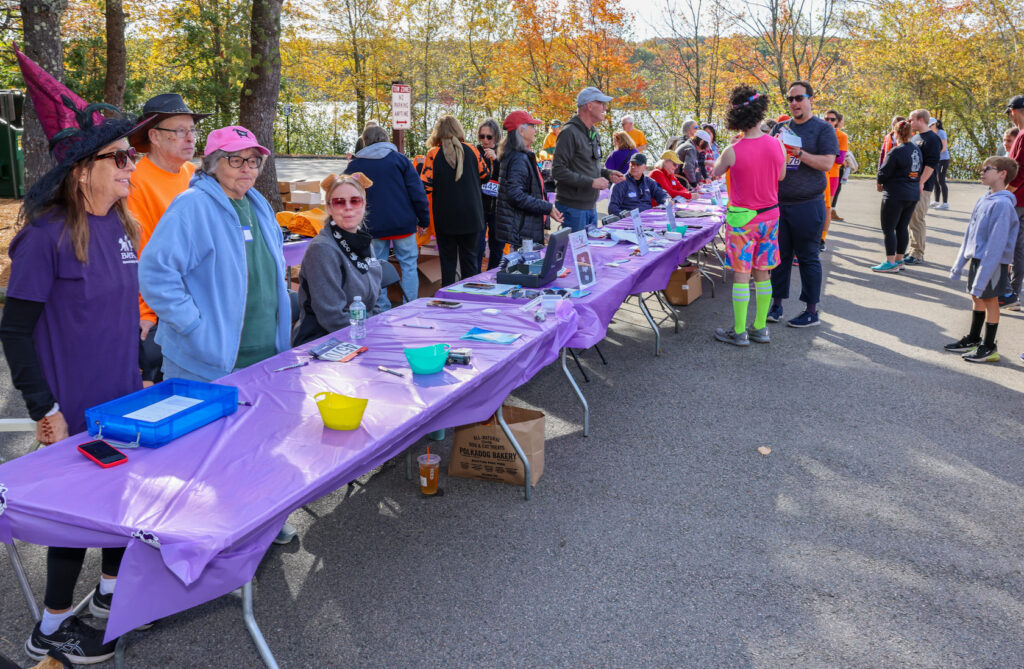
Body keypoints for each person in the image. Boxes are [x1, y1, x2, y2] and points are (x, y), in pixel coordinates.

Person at [0, 46, 142, 663]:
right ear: (83, 169)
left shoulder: (120, 226)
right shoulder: (44, 238)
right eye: (119, 157)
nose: (129, 165)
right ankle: (51, 628)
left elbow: (118, 315)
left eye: (130, 156)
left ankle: (111, 597)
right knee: (73, 520)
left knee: (120, 504)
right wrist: (43, 406)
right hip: (72, 409)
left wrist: (147, 362)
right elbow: (13, 331)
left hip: (126, 399)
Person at [126, 93, 210, 386]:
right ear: (155, 136)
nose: (190, 138)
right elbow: (138, 253)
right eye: (180, 131)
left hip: (201, 299)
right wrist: (146, 311)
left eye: (192, 130)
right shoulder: (135, 180)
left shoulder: (194, 174)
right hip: (163, 307)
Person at [711, 85, 786, 346]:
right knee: (763, 271)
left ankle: (740, 331)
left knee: (742, 274)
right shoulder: (778, 146)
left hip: (742, 221)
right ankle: (761, 327)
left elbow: (715, 174)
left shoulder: (732, 150)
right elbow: (781, 176)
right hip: (770, 218)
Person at [766, 81, 839, 328]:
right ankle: (776, 306)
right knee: (780, 257)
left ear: (810, 99)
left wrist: (797, 153)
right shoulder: (779, 127)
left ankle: (811, 311)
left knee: (808, 258)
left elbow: (828, 164)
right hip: (780, 204)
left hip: (808, 204)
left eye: (799, 98)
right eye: (791, 99)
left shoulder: (822, 129)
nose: (795, 103)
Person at [293, 173, 383, 345]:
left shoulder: (363, 241)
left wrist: (375, 329)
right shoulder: (322, 249)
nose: (348, 207)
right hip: (323, 342)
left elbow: (376, 301)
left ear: (364, 204)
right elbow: (333, 317)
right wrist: (371, 335)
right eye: (339, 202)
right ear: (329, 207)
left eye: (355, 201)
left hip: (362, 334)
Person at [344, 124, 429, 308]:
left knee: (376, 268)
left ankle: (382, 308)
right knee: (408, 266)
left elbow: (342, 193)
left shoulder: (355, 165)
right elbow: (417, 192)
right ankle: (410, 306)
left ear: (364, 141)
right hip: (403, 223)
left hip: (372, 226)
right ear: (386, 139)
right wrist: (424, 219)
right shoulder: (400, 160)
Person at [945, 157, 1020, 363]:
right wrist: (960, 263)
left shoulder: (1003, 205)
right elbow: (970, 232)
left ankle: (989, 347)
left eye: (988, 169)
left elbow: (997, 242)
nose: (982, 172)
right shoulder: (984, 198)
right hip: (979, 257)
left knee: (990, 300)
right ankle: (973, 338)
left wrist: (988, 267)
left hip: (993, 262)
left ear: (1002, 174)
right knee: (976, 297)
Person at [420, 114, 489, 285]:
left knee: (448, 264)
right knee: (471, 263)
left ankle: (448, 301)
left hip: (445, 218)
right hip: (472, 216)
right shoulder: (472, 150)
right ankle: (470, 299)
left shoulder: (433, 154)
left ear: (438, 133)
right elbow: (485, 175)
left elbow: (425, 186)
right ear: (458, 130)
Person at [552, 86, 625, 231]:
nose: (605, 107)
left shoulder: (593, 132)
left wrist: (607, 174)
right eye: (601, 103)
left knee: (590, 251)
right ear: (589, 106)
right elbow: (557, 171)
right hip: (573, 208)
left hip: (590, 206)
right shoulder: (569, 132)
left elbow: (589, 165)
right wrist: (592, 182)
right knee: (576, 253)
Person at [495, 110, 562, 249]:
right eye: (532, 126)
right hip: (520, 233)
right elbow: (515, 195)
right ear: (521, 130)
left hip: (523, 229)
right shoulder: (518, 158)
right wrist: (547, 207)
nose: (535, 131)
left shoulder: (520, 155)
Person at [872, 119, 921, 272]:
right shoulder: (916, 149)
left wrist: (880, 181)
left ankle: (890, 261)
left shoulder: (896, 151)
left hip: (895, 194)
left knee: (889, 228)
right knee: (902, 227)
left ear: (896, 133)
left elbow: (884, 172)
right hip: (912, 193)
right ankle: (900, 260)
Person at [904, 109, 941, 266]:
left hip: (922, 186)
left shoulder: (932, 139)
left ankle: (918, 253)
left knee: (917, 218)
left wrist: (921, 182)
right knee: (910, 218)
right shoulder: (916, 137)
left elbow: (931, 164)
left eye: (911, 119)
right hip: (910, 183)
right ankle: (913, 249)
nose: (909, 122)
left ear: (920, 119)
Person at [1001, 95, 1024, 310]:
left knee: (1004, 244)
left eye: (1009, 114)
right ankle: (1013, 294)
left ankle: (1008, 293)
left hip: (1017, 198)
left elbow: (1020, 171)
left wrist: (1004, 194)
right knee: (1018, 247)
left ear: (1014, 111)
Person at [475, 118, 502, 271]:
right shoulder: (475, 152)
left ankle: (493, 278)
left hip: (498, 208)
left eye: (489, 137)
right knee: (477, 247)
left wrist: (497, 159)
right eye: (482, 136)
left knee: (497, 248)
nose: (485, 140)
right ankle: (475, 278)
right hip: (479, 208)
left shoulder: (503, 153)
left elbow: (510, 176)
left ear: (496, 137)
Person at [824, 109, 848, 229]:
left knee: (827, 207)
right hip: (819, 174)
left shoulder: (842, 136)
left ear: (837, 122)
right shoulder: (820, 133)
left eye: (832, 119)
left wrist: (824, 155)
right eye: (826, 119)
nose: (829, 121)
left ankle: (822, 239)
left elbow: (840, 160)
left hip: (833, 175)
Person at [929, 118, 950, 209]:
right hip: (936, 160)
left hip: (943, 160)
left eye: (931, 125)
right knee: (935, 180)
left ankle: (945, 203)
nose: (929, 127)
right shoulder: (931, 133)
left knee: (941, 180)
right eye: (928, 126)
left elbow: (943, 148)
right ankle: (936, 201)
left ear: (936, 124)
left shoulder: (941, 133)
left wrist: (933, 154)